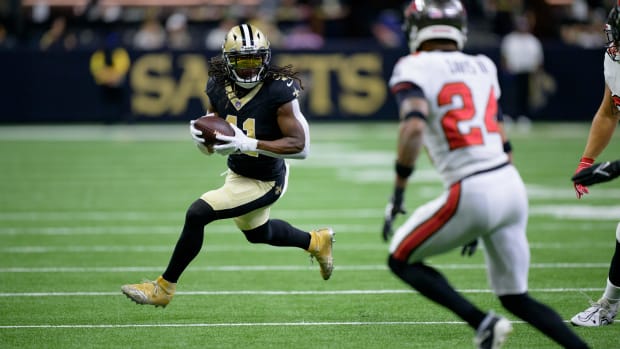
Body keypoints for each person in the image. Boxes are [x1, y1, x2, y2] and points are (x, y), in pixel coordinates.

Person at [381, 1, 590, 348]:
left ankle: (482, 322)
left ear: (414, 29)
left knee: (400, 259)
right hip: (509, 184)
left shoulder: (413, 66)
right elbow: (499, 133)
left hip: (473, 190)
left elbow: (413, 128)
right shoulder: (482, 65)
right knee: (516, 297)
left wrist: (399, 189)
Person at [121, 23, 335, 307]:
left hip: (266, 180)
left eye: (254, 61)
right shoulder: (218, 84)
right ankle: (316, 242)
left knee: (198, 213)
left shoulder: (278, 90)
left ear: (266, 59)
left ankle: (163, 288)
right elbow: (214, 137)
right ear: (227, 61)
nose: (248, 69)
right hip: (238, 173)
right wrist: (203, 138)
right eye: (241, 62)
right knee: (259, 233)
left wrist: (248, 143)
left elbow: (301, 147)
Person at [569, 4, 620, 327]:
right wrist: (587, 160)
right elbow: (609, 111)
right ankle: (608, 305)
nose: (614, 45)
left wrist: (614, 167)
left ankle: (607, 306)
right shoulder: (614, 60)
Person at [499, 14, 544, 119]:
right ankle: (508, 115)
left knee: (525, 96)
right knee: (510, 96)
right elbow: (504, 57)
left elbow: (538, 60)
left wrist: (536, 75)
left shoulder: (533, 41)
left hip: (527, 73)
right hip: (511, 72)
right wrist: (506, 70)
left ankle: (523, 116)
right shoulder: (509, 39)